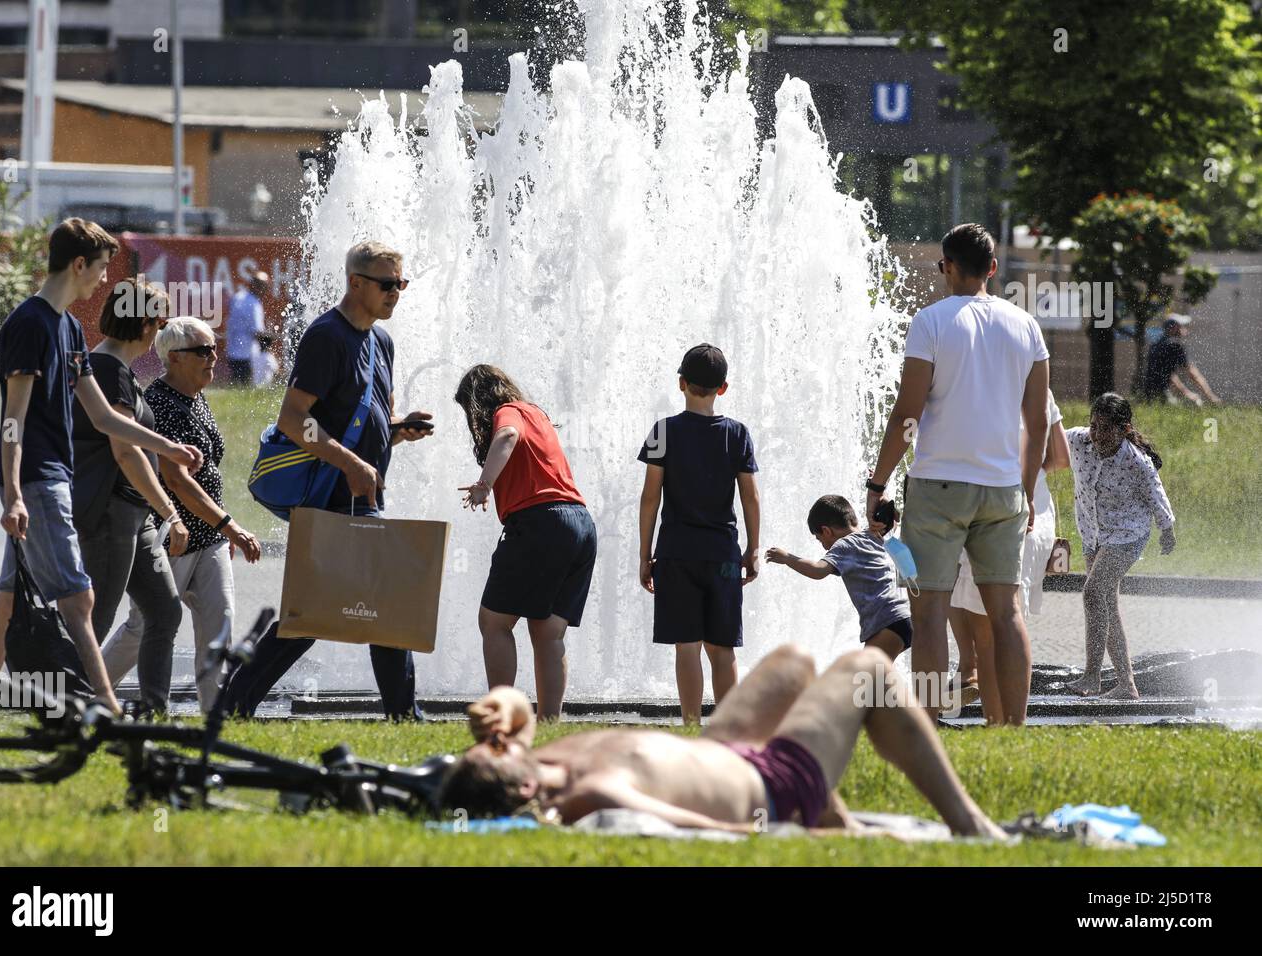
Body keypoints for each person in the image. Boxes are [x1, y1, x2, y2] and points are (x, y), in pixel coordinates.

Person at [0, 218, 202, 714]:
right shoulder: (29, 324)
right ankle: (105, 708)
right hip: (38, 478)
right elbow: (13, 421)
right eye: (99, 268)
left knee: (9, 599)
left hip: (54, 477)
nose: (103, 280)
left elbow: (101, 416)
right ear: (79, 264)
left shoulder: (70, 328)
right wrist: (13, 492)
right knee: (80, 601)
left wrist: (167, 447)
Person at [438, 643, 1006, 839]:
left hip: (723, 751)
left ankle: (839, 820)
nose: (492, 739)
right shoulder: (594, 790)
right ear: (526, 782)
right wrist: (779, 833)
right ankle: (970, 824)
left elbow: (521, 717)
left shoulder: (541, 759)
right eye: (493, 747)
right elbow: (712, 830)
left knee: (795, 662)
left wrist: (504, 700)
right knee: (868, 670)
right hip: (777, 784)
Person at [222, 241, 433, 720]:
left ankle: (402, 713)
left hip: (361, 496)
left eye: (401, 284)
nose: (396, 293)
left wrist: (399, 432)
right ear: (355, 283)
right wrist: (349, 464)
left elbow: (365, 423)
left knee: (371, 610)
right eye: (386, 284)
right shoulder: (327, 336)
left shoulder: (382, 342)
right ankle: (237, 700)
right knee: (319, 614)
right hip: (330, 496)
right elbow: (295, 420)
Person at [865, 223, 1050, 725]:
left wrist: (877, 483)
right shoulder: (1026, 327)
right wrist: (1028, 491)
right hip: (1002, 488)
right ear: (993, 268)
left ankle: (927, 730)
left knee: (928, 616)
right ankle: (1011, 730)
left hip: (938, 486)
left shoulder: (931, 321)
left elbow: (909, 410)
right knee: (1005, 613)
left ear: (946, 266)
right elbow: (1036, 424)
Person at [99, 317, 262, 712]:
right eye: (203, 351)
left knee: (218, 627)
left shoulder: (196, 396)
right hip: (172, 535)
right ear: (174, 358)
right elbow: (177, 479)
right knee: (145, 627)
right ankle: (86, 690)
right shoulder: (160, 403)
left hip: (209, 539)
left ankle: (215, 716)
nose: (213, 357)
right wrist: (231, 525)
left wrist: (222, 530)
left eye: (214, 349)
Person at [71, 278, 188, 714]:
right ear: (143, 323)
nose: (161, 330)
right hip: (109, 516)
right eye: (160, 320)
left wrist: (158, 514)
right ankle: (70, 711)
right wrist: (170, 512)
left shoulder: (117, 370)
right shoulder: (108, 370)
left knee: (164, 610)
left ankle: (154, 711)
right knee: (93, 623)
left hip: (131, 518)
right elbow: (125, 452)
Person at [456, 365, 596, 721]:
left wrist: (485, 483)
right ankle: (549, 721)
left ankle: (499, 715)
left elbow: (505, 437)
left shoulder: (509, 412)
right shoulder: (537, 414)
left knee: (494, 622)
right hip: (579, 523)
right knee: (548, 632)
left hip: (540, 523)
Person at [637, 344, 760, 724]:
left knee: (686, 647)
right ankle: (729, 727)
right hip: (723, 554)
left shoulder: (663, 432)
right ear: (722, 388)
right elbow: (750, 497)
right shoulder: (737, 434)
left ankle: (691, 726)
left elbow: (649, 498)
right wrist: (753, 549)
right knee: (722, 648)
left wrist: (645, 555)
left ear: (681, 383)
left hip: (676, 554)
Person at [947, 388, 1069, 724]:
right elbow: (1060, 457)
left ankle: (996, 723)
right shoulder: (1037, 388)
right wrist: (1029, 474)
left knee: (985, 633)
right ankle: (1012, 726)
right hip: (1035, 518)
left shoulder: (970, 384)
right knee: (1011, 618)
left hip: (988, 513)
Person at [1063, 394, 1175, 700]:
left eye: (1105, 428)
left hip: (1128, 534)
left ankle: (1091, 677)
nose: (1097, 434)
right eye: (1094, 425)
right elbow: (1042, 437)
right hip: (1094, 533)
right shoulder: (1078, 441)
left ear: (1124, 429)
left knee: (1093, 593)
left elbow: (1156, 494)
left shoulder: (1135, 460)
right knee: (1106, 605)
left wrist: (1166, 529)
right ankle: (1127, 684)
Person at [765, 495, 910, 661]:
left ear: (827, 531)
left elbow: (818, 570)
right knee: (874, 681)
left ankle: (940, 688)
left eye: (820, 539)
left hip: (886, 621)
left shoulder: (844, 545)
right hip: (905, 614)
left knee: (866, 682)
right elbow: (895, 519)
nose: (823, 545)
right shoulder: (873, 534)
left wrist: (787, 558)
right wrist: (884, 501)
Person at [1142, 314, 1220, 407]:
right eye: (1182, 326)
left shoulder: (1156, 344)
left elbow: (1168, 374)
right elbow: (1193, 374)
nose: (1184, 329)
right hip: (1161, 393)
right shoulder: (1174, 345)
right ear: (1174, 328)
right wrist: (1211, 397)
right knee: (1193, 405)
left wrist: (1186, 392)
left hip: (1148, 393)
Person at [225, 271, 269, 387]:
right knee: (245, 388)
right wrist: (272, 339)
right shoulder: (254, 304)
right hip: (247, 353)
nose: (265, 290)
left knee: (235, 386)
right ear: (256, 285)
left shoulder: (238, 296)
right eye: (263, 286)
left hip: (233, 350)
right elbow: (257, 332)